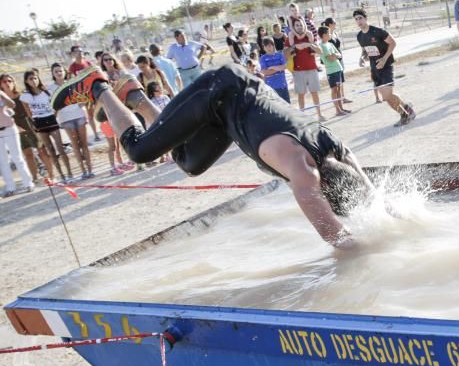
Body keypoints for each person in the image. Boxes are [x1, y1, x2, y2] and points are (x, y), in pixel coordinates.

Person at [51, 64, 376, 247]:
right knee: (140, 149)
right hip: (219, 90)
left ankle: (133, 95)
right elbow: (335, 237)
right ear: (323, 191)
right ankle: (98, 86)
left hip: (232, 112)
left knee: (191, 163)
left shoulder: (340, 152)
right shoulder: (303, 172)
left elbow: (372, 194)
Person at [354, 8, 415, 127]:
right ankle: (405, 112)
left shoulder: (377, 31)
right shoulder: (360, 36)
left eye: (360, 18)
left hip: (386, 66)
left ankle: (407, 111)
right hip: (374, 69)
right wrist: (362, 57)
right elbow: (365, 49)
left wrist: (384, 58)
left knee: (387, 94)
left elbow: (392, 43)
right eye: (356, 19)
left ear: (366, 18)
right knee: (387, 97)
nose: (359, 21)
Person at [21, 69, 70, 182]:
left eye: (35, 78)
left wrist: (54, 115)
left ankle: (69, 173)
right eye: (30, 79)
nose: (33, 81)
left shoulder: (46, 92)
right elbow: (27, 110)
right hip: (39, 122)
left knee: (60, 148)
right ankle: (60, 175)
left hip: (51, 120)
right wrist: (33, 121)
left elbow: (55, 104)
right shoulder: (26, 95)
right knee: (50, 150)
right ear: (26, 81)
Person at [48, 63, 94, 179]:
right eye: (56, 71)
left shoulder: (72, 83)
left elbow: (83, 98)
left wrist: (83, 102)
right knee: (75, 145)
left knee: (84, 144)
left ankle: (90, 170)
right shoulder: (51, 88)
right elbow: (52, 105)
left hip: (79, 116)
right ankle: (83, 171)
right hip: (66, 119)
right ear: (53, 74)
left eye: (60, 70)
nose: (59, 73)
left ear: (64, 71)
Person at [1, 74, 40, 185]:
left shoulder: (19, 95)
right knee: (22, 155)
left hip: (20, 125)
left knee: (36, 151)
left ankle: (35, 180)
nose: (7, 83)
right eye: (4, 81)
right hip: (8, 129)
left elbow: (17, 107)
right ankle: (16, 184)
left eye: (9, 80)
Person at [286, 17, 324, 121]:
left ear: (304, 25)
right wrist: (294, 46)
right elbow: (285, 55)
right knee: (301, 94)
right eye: (297, 25)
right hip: (298, 71)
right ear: (293, 27)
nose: (299, 27)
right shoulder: (291, 38)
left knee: (314, 93)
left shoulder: (309, 36)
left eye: (301, 25)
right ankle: (302, 117)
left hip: (312, 69)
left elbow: (320, 51)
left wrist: (309, 44)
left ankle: (319, 114)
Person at [318, 26, 349, 117]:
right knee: (334, 90)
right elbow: (330, 58)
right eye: (329, 33)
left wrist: (335, 55)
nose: (330, 34)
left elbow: (339, 54)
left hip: (338, 69)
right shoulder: (322, 46)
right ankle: (337, 110)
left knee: (339, 89)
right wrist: (335, 55)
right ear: (323, 35)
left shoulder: (330, 44)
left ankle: (341, 108)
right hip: (331, 71)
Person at [259, 37, 291, 103]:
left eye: (270, 45)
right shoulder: (263, 58)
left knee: (287, 105)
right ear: (263, 47)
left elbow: (285, 66)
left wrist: (272, 67)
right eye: (266, 46)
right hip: (270, 87)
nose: (268, 48)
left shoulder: (280, 55)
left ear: (273, 46)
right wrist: (279, 68)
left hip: (282, 85)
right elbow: (265, 72)